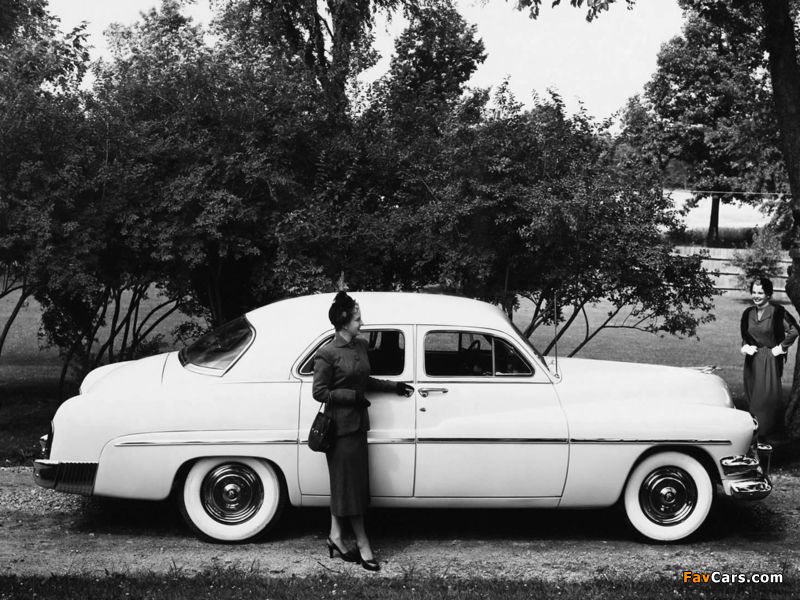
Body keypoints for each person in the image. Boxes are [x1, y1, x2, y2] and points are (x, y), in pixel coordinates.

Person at [312, 291, 413, 572]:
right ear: (344, 323)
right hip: (339, 430)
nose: (362, 323)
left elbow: (363, 379)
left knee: (348, 486)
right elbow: (319, 392)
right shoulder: (327, 353)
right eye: (358, 319)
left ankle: (335, 536)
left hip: (358, 427)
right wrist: (351, 397)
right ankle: (363, 543)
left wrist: (393, 387)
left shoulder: (360, 346)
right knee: (350, 489)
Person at [741, 277, 799, 441]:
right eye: (754, 292)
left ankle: (762, 436)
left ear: (768, 294)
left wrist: (780, 348)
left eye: (760, 293)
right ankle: (756, 438)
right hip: (752, 361)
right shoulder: (748, 313)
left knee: (764, 401)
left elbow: (794, 331)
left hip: (769, 360)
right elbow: (746, 335)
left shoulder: (777, 312)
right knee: (752, 397)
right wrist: (745, 346)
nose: (756, 296)